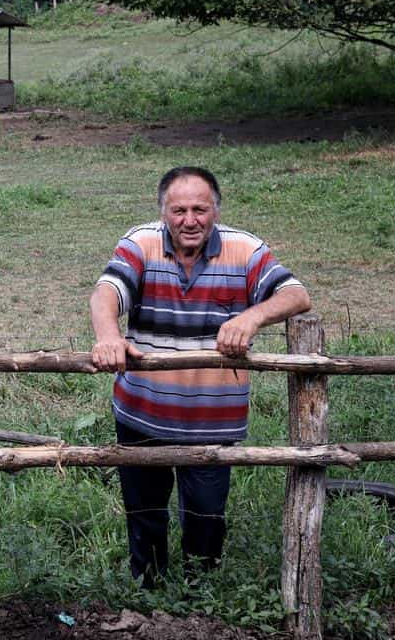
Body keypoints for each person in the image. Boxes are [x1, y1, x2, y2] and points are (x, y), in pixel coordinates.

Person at [90, 166, 311, 586]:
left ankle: (200, 601)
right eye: (178, 210)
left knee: (207, 519)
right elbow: (107, 290)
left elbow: (296, 295)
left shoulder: (244, 249)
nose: (189, 220)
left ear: (215, 211)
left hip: (212, 426)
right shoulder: (141, 242)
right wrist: (108, 336)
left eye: (199, 209)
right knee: (144, 516)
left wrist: (251, 317)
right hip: (142, 416)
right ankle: (148, 594)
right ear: (163, 213)